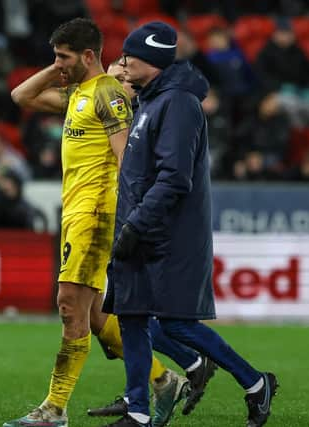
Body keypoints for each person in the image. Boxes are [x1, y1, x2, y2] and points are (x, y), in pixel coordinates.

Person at [3, 18, 191, 427]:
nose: (58, 64)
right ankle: (163, 380)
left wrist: (136, 215)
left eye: (64, 56)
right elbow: (21, 95)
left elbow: (128, 160)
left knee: (69, 306)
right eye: (55, 56)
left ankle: (54, 409)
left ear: (89, 55)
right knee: (92, 317)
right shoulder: (79, 94)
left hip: (96, 212)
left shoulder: (107, 94)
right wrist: (58, 67)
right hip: (76, 211)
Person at [102, 22, 278, 427]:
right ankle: (138, 411)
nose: (123, 64)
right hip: (140, 226)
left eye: (130, 57)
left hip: (167, 234)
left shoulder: (179, 104)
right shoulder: (150, 100)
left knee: (177, 322)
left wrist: (137, 224)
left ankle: (254, 382)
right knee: (130, 315)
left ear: (153, 61)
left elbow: (174, 177)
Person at [84, 60, 218, 422]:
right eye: (112, 78)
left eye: (121, 77)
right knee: (111, 313)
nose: (115, 84)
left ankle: (150, 390)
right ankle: (168, 376)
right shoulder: (119, 109)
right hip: (112, 213)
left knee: (120, 311)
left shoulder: (144, 117)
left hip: (128, 216)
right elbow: (23, 96)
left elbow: (147, 171)